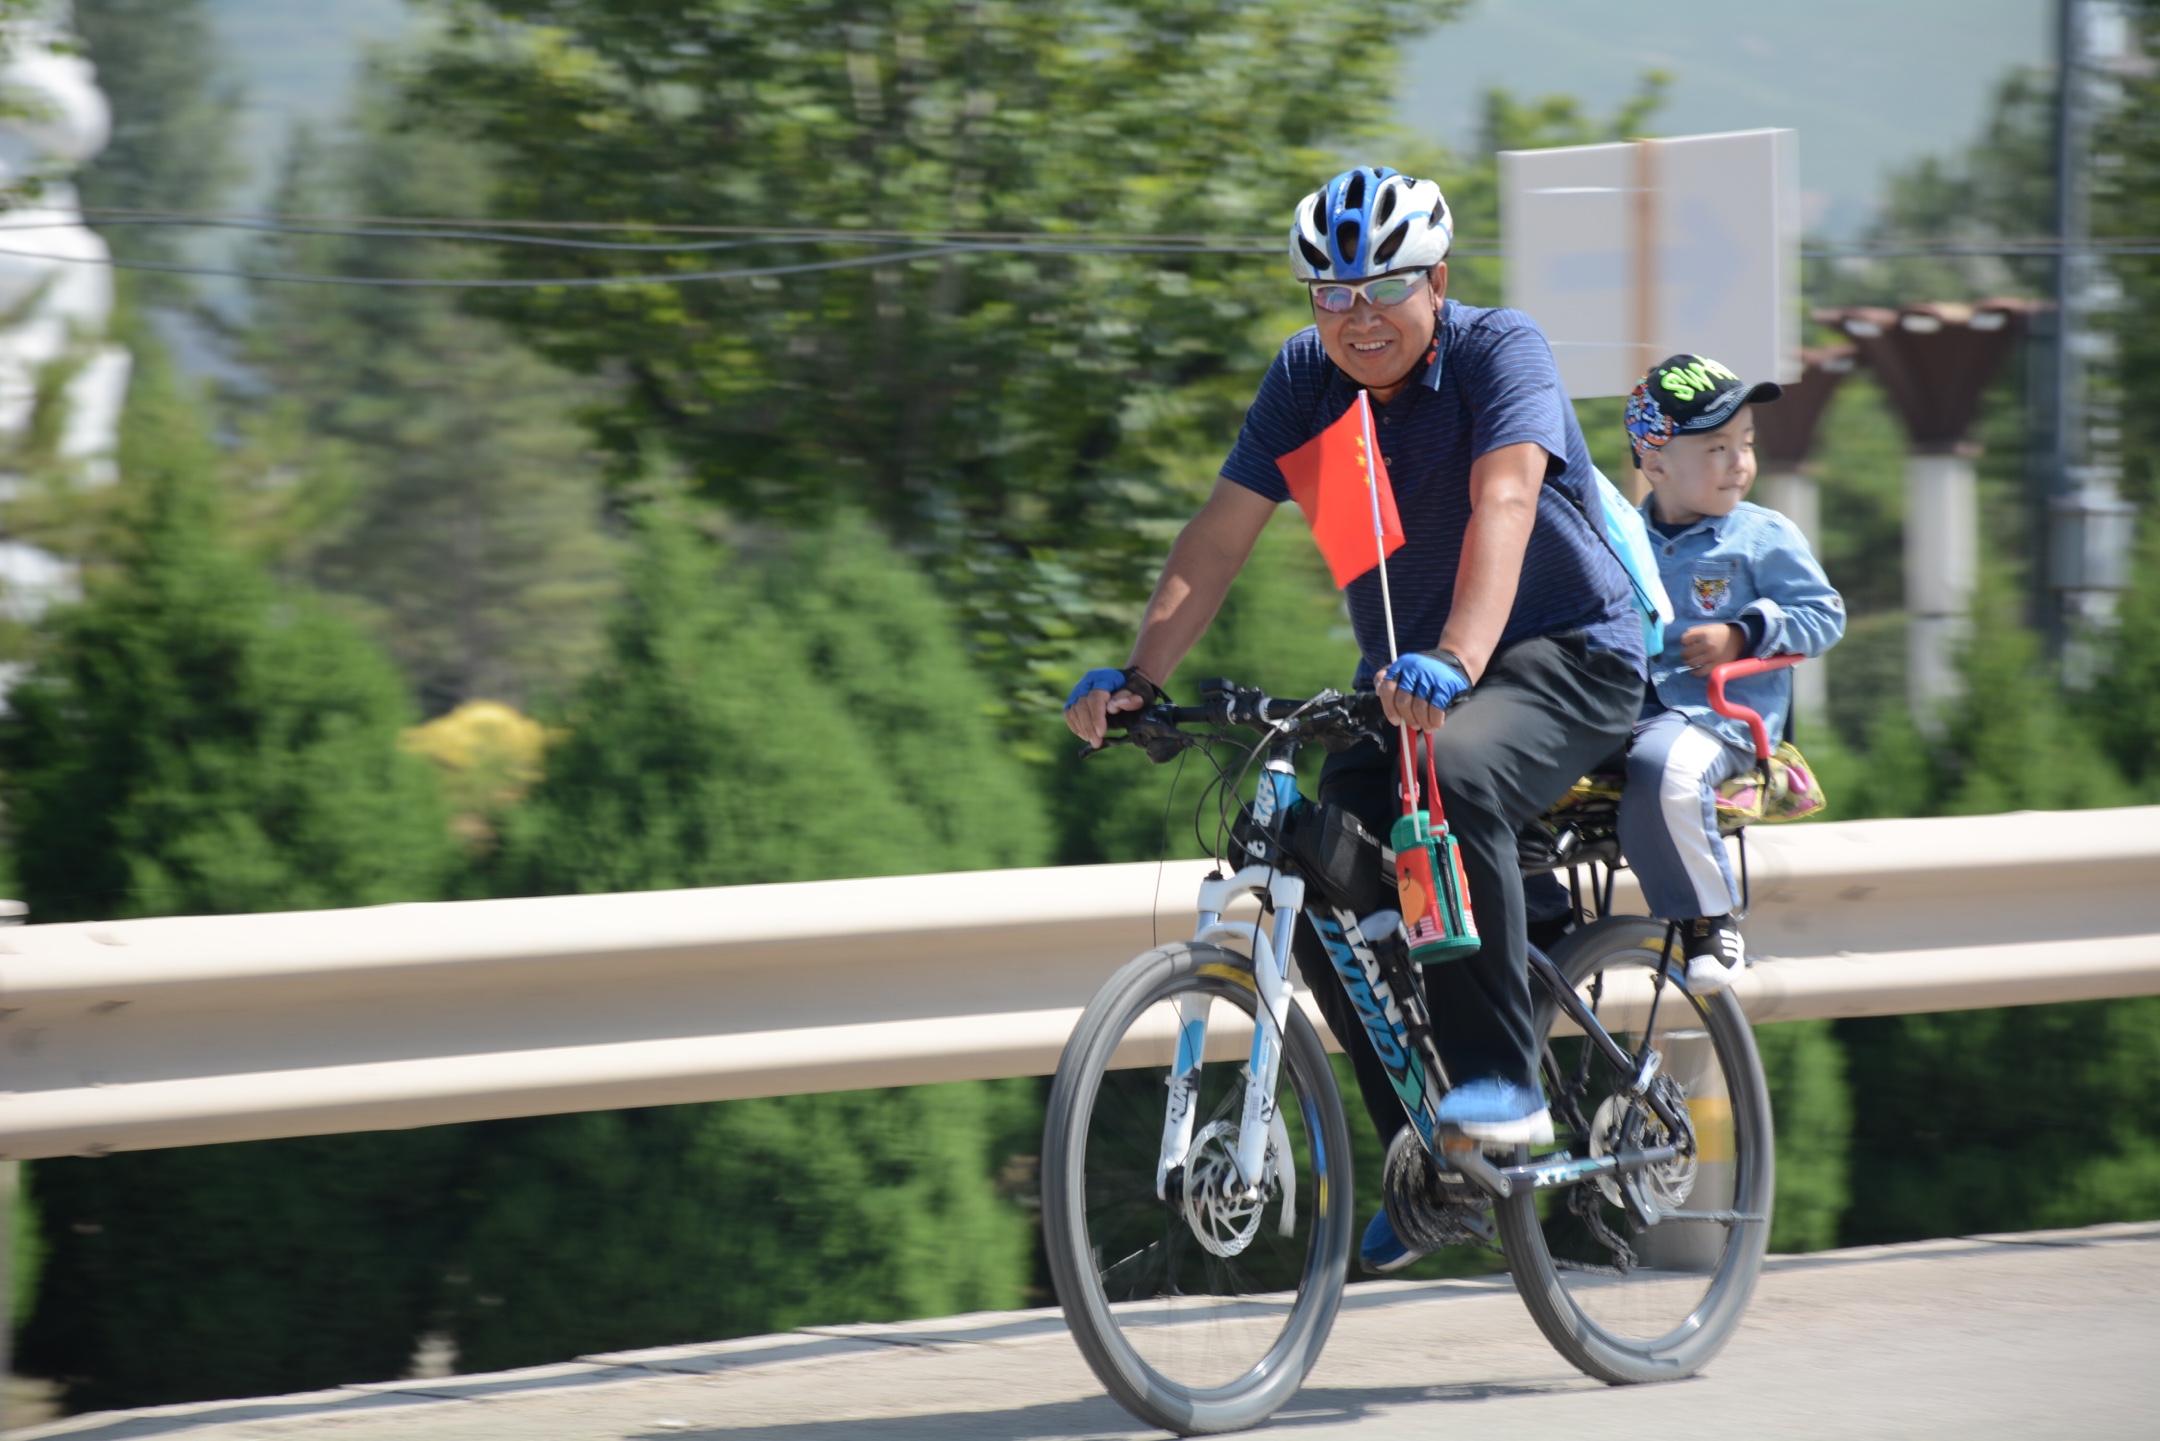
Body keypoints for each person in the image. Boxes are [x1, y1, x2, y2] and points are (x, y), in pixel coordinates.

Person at [1064, 166, 1645, 1273]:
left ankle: (1507, 1090)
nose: (1357, 313)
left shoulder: (1496, 349)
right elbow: (1219, 534)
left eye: (1382, 285)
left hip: (1568, 656)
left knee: (1452, 773)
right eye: (1330, 292)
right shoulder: (1306, 381)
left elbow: (1507, 500)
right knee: (1323, 844)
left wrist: (1458, 661)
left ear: (1436, 280)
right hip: (1416, 680)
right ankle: (1432, 1159)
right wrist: (1139, 673)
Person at [1618, 354, 1846, 993]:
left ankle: (1710, 920)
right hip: (1626, 713)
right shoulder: (1619, 540)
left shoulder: (1760, 536)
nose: (1740, 461)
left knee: (1665, 766)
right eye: (1717, 447)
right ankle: (1537, 915)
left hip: (1718, 719)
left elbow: (1824, 615)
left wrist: (1744, 632)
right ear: (1657, 462)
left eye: (1744, 443)